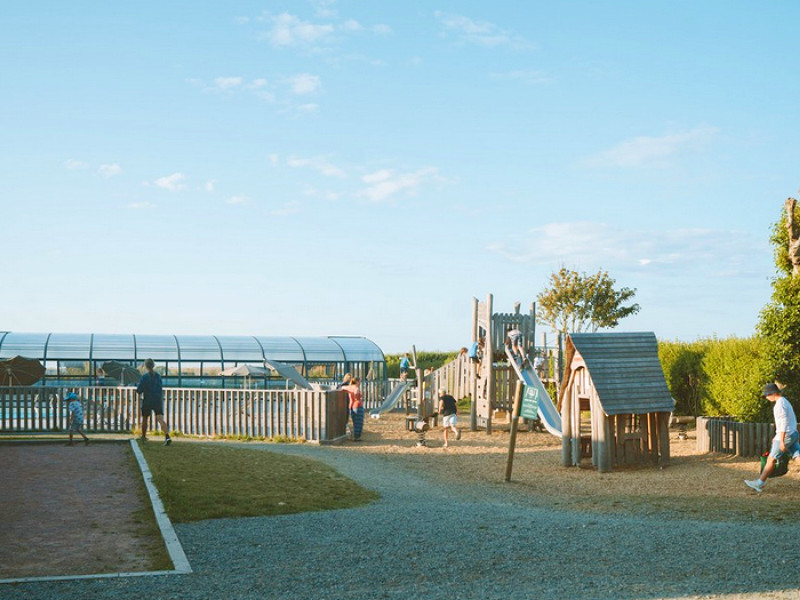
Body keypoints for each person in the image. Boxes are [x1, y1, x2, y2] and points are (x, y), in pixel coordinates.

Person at [745, 383, 800, 492]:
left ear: (774, 393)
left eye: (767, 394)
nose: (766, 397)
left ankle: (759, 483)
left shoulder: (779, 404)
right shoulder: (785, 401)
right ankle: (759, 483)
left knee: (771, 459)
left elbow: (783, 422)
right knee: (797, 456)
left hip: (785, 435)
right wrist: (777, 435)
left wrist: (781, 441)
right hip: (793, 433)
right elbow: (788, 421)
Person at [136, 358, 172, 446]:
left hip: (148, 400)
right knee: (160, 419)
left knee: (145, 418)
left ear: (145, 366)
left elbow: (139, 390)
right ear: (153, 365)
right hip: (157, 400)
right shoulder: (158, 376)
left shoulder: (144, 377)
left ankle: (143, 437)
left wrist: (138, 389)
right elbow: (160, 388)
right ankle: (167, 436)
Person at [344, 376, 364, 441]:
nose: (360, 383)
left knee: (355, 422)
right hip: (357, 405)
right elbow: (356, 391)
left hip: (352, 406)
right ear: (357, 382)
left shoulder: (349, 387)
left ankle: (356, 436)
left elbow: (343, 387)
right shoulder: (355, 388)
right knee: (358, 422)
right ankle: (357, 437)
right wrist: (357, 396)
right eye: (360, 381)